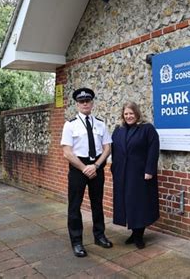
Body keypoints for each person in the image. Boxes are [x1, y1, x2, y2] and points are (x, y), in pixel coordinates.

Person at [60, 87, 113, 257]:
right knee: (75, 206)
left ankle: (99, 236)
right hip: (78, 168)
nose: (85, 104)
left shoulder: (100, 123)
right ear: (77, 104)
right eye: (81, 101)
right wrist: (84, 168)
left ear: (92, 103)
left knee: (97, 203)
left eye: (87, 101)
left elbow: (107, 148)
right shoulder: (70, 125)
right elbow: (67, 152)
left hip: (97, 166)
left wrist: (96, 166)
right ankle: (77, 242)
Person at [111, 101, 160, 249]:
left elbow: (153, 150)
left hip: (140, 174)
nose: (128, 116)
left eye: (131, 113)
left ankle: (139, 236)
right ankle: (133, 232)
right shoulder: (118, 130)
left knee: (140, 204)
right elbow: (114, 151)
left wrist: (149, 170)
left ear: (137, 113)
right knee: (127, 204)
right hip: (123, 174)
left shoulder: (147, 129)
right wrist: (114, 169)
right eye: (126, 114)